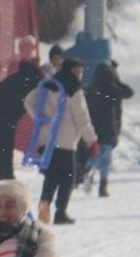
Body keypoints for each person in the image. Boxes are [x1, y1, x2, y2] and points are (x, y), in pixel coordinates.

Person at [23, 58, 97, 224]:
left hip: (45, 141)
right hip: (66, 142)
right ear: (71, 71)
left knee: (51, 177)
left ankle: (44, 206)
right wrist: (91, 140)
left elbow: (28, 102)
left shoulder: (48, 85)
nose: (79, 75)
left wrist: (38, 117)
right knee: (67, 178)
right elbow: (82, 118)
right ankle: (60, 212)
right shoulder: (75, 90)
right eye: (77, 72)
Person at [84, 60, 134, 197]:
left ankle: (89, 168)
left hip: (93, 127)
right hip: (109, 127)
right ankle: (103, 185)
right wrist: (117, 80)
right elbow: (129, 92)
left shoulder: (91, 88)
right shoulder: (113, 89)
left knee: (94, 153)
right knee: (106, 157)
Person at [0, 60, 43, 180]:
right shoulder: (35, 80)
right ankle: (7, 176)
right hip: (7, 116)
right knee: (6, 148)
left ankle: (1, 176)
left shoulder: (15, 78)